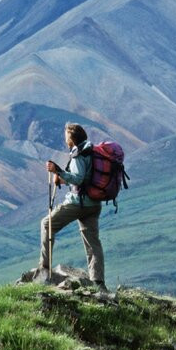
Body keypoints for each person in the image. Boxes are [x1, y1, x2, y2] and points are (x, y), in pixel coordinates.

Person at [42, 122, 106, 289]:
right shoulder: (91, 151)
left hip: (78, 203)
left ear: (72, 138)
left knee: (47, 224)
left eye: (66, 136)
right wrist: (63, 178)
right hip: (94, 204)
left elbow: (78, 179)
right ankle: (98, 281)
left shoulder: (78, 154)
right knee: (93, 242)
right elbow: (85, 178)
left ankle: (44, 269)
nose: (65, 139)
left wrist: (58, 171)